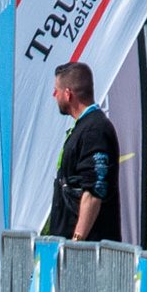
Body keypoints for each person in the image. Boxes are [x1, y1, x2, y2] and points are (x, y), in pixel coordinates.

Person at [46, 61, 120, 243]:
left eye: (56, 90)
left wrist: (76, 243)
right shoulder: (84, 127)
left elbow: (94, 192)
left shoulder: (95, 131)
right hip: (69, 245)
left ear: (68, 94)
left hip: (87, 252)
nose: (54, 95)